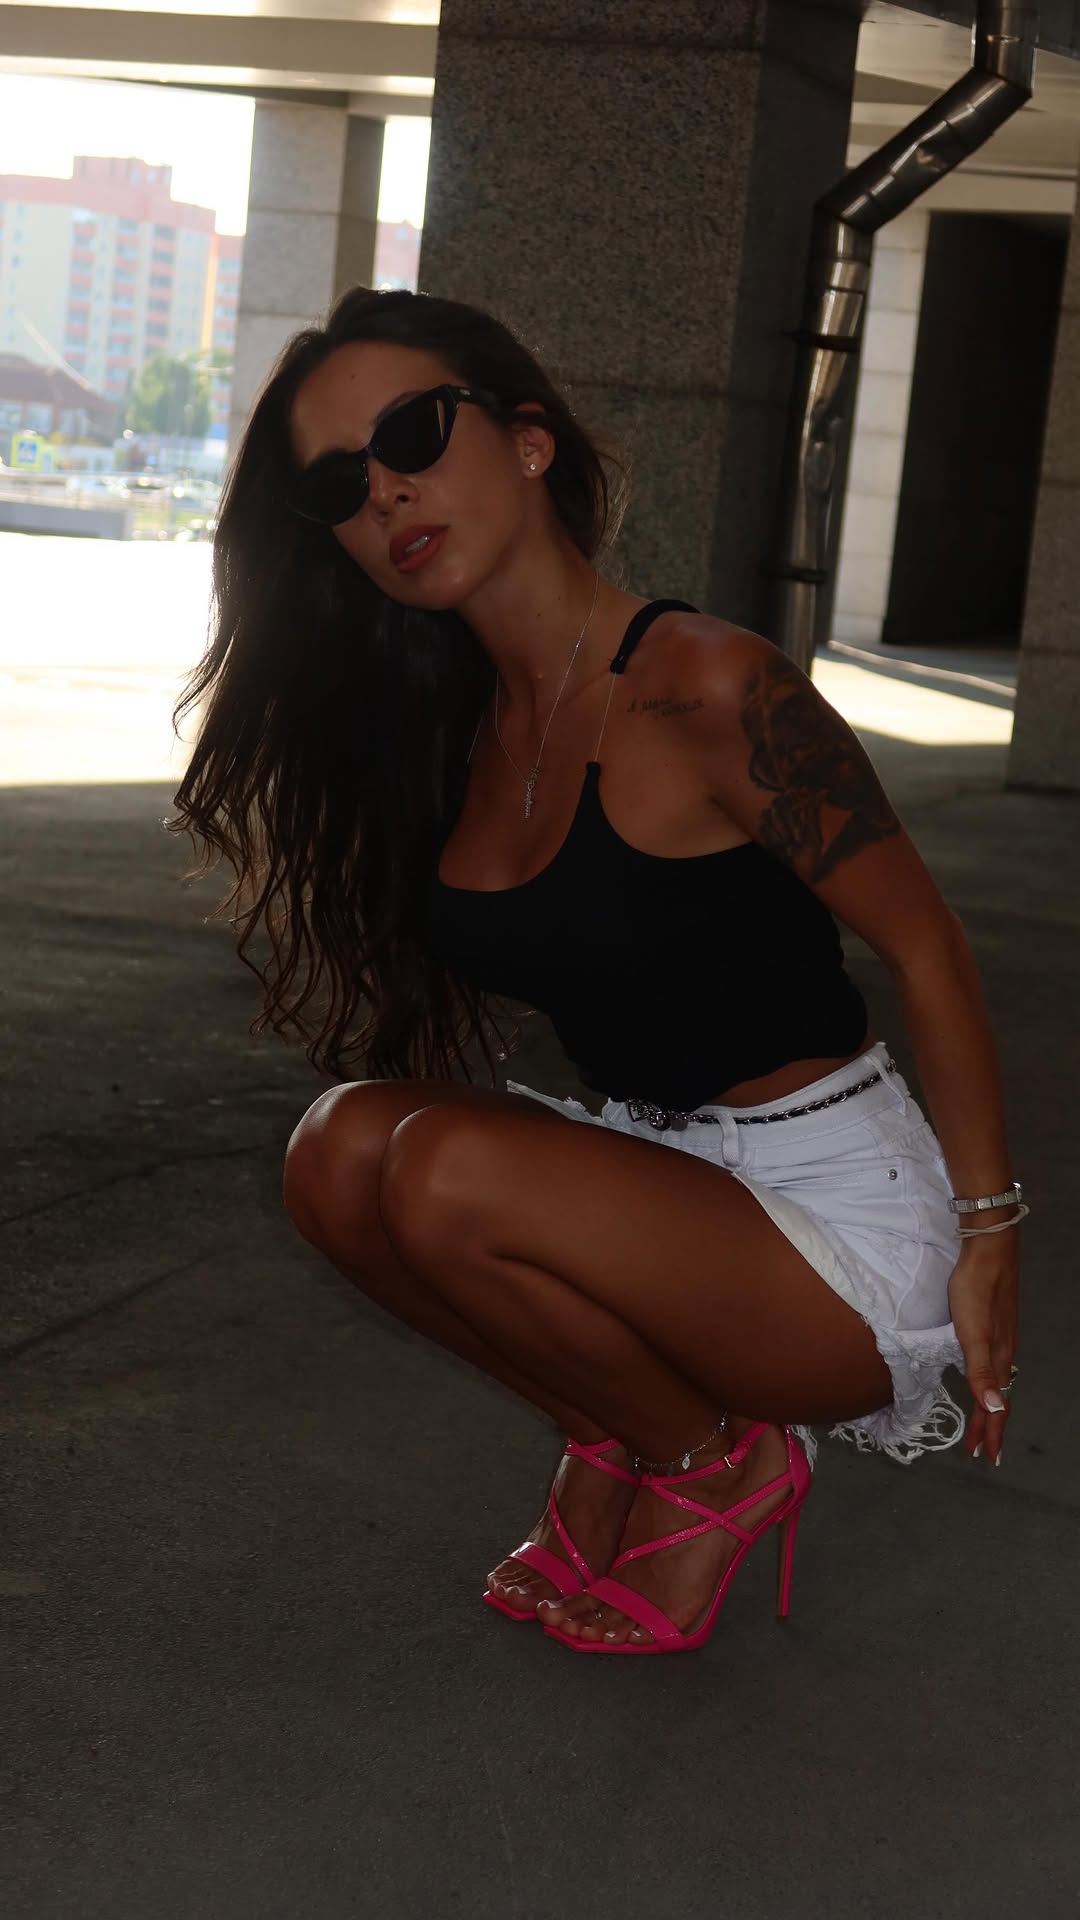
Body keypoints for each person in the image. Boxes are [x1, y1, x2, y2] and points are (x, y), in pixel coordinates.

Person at [169, 286, 1023, 1657]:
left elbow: (926, 942)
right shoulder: (453, 728)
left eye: (411, 435)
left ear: (528, 440)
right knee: (335, 1153)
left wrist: (990, 1232)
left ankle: (717, 1466)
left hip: (835, 1228)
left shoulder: (706, 687)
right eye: (337, 484)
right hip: (658, 1189)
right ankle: (633, 1435)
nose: (384, 492)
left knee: (442, 1171)